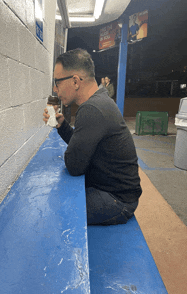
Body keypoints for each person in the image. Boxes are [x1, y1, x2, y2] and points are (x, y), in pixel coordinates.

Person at [43, 48, 142, 225]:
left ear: (75, 81)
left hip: (117, 200)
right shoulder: (101, 100)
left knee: (53, 208)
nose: (54, 88)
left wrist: (72, 152)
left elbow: (74, 166)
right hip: (114, 191)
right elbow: (83, 143)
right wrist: (62, 125)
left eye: (57, 81)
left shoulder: (92, 109)